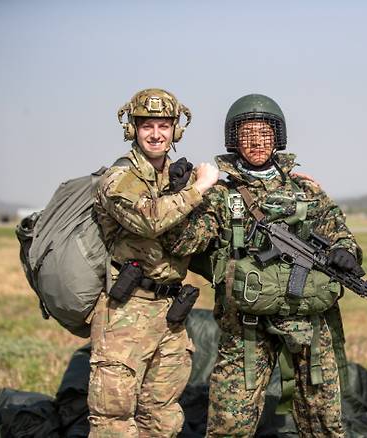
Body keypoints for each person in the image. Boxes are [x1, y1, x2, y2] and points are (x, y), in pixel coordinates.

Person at [171, 94, 364, 437]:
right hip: (245, 330)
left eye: (264, 133)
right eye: (247, 134)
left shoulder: (305, 190)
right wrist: (184, 195)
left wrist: (346, 251)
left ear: (278, 137)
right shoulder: (220, 195)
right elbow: (186, 243)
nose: (256, 142)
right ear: (234, 140)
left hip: (307, 323)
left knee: (324, 423)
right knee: (228, 426)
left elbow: (341, 234)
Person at [88, 88, 219, 437]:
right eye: (148, 126)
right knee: (112, 419)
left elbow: (230, 195)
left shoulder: (176, 178)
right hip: (127, 310)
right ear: (133, 129)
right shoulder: (118, 179)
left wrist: (288, 175)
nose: (156, 134)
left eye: (164, 125)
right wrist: (198, 190)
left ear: (175, 130)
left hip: (171, 313)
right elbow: (149, 220)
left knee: (162, 417)